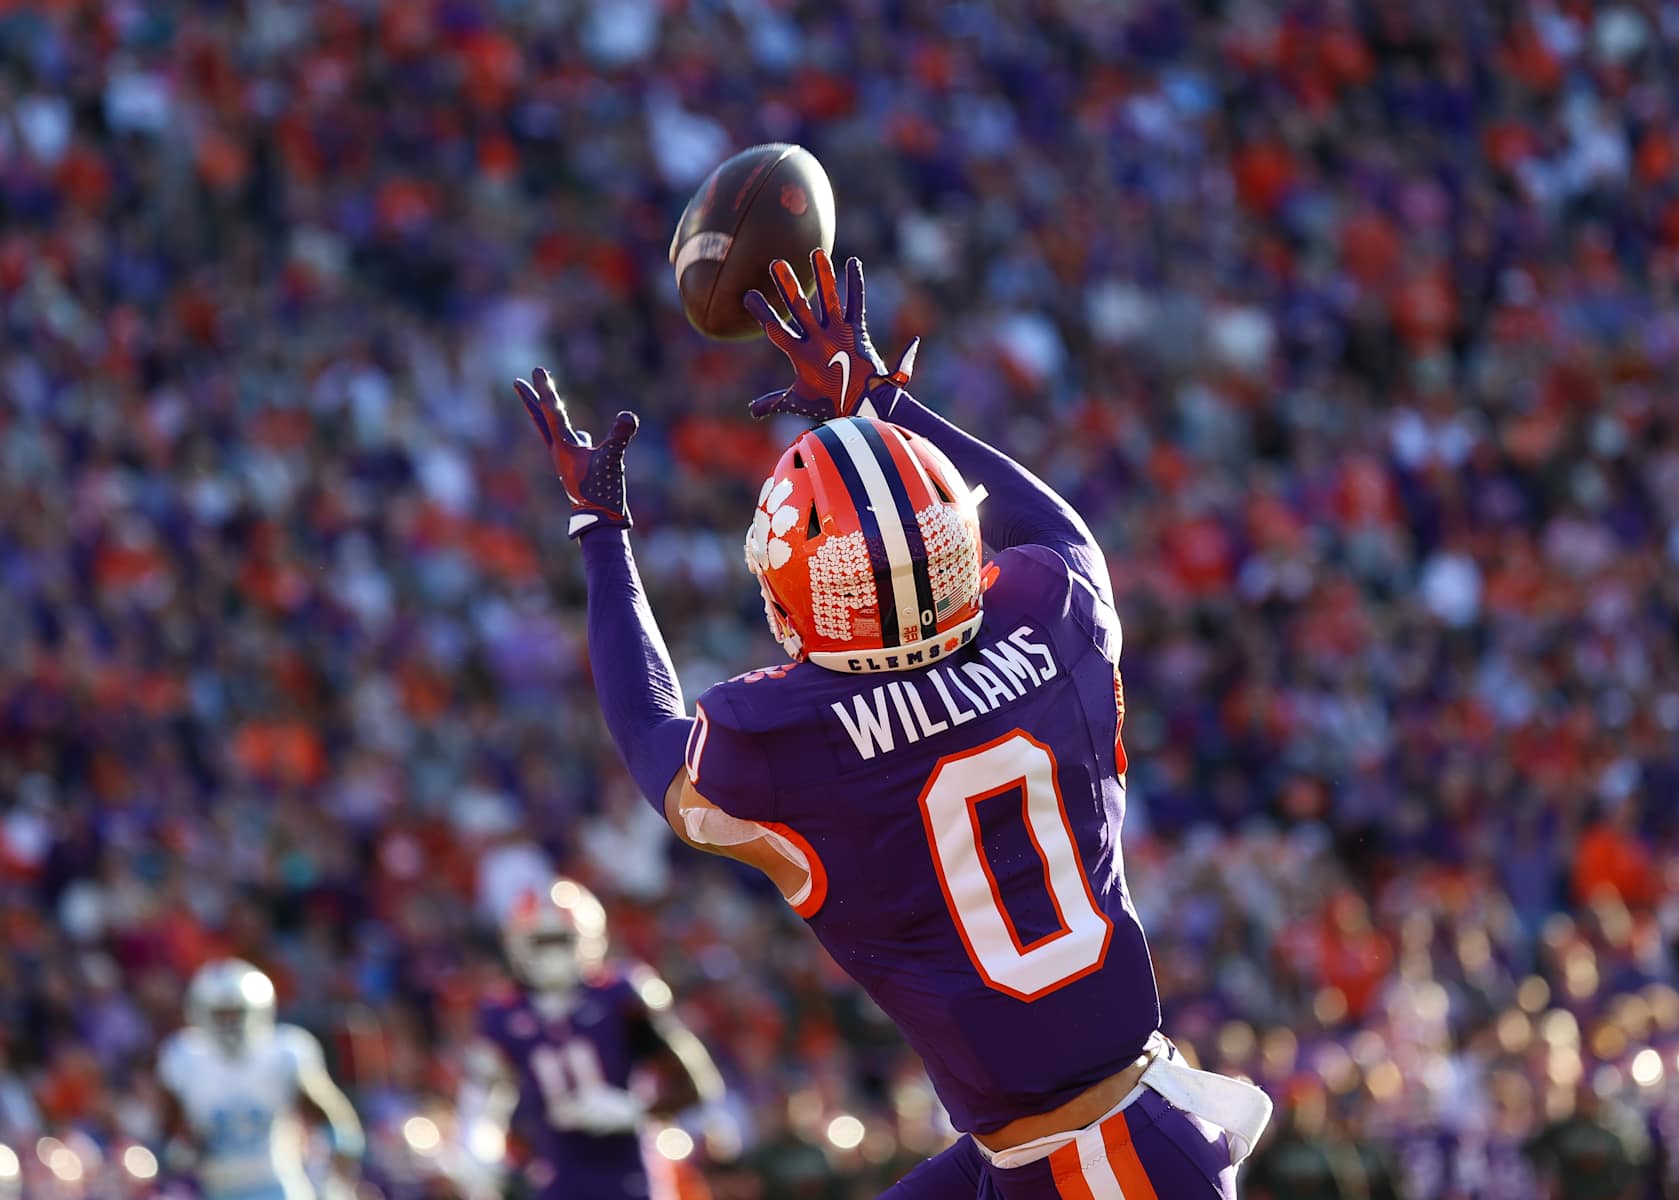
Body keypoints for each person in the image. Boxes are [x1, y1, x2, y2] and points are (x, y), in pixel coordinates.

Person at [512, 250, 1271, 1198]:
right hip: (1070, 1137)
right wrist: (879, 399)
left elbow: (651, 738)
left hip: (1098, 1165)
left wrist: (601, 536)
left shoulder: (796, 741)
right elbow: (1059, 532)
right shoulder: (1051, 614)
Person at [464, 879, 721, 1199]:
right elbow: (482, 1098)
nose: (552, 955)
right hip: (553, 1173)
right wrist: (480, 1153)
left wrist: (634, 1111)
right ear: (518, 943)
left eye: (560, 940)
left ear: (588, 939)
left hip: (630, 1169)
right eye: (542, 942)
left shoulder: (621, 996)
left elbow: (696, 1084)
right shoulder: (502, 1013)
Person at [157, 959, 364, 1200]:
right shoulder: (184, 1058)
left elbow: (333, 1118)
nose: (230, 1025)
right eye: (221, 1015)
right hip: (213, 1189)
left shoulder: (284, 1053)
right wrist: (181, 1153)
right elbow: (171, 1132)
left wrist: (339, 1164)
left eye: (236, 1014)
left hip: (276, 1185)